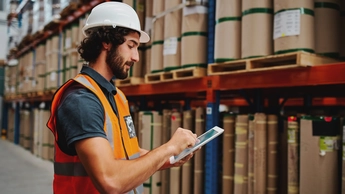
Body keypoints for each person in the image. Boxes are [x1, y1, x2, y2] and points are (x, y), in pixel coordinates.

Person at [46, 2, 198, 194]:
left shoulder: (115, 97)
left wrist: (171, 157)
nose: (136, 57)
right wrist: (168, 148)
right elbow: (110, 181)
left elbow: (127, 154)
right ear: (107, 42)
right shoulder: (81, 100)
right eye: (131, 46)